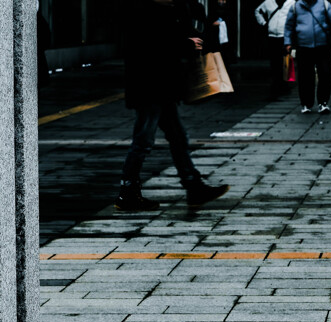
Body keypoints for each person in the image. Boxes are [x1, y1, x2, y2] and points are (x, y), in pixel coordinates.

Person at [116, 0, 230, 211]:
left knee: (177, 136)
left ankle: (193, 185)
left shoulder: (167, 9)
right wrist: (186, 44)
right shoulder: (141, 10)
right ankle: (128, 191)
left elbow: (179, 32)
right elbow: (151, 45)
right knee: (144, 139)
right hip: (149, 86)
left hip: (161, 87)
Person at [285, 0, 331, 114]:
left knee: (325, 74)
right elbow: (289, 26)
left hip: (322, 46)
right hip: (303, 46)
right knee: (305, 76)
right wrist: (288, 42)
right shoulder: (295, 6)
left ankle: (323, 102)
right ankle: (306, 104)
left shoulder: (324, 4)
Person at [255, 0, 297, 95]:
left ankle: (285, 83)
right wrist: (264, 23)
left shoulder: (291, 3)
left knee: (286, 60)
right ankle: (276, 82)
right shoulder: (268, 2)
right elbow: (257, 11)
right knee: (274, 60)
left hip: (285, 35)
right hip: (272, 36)